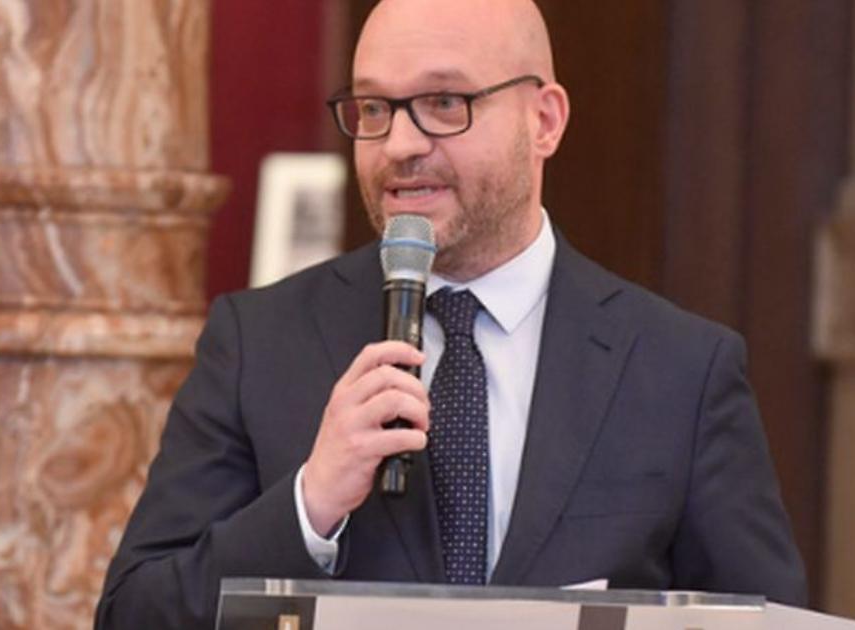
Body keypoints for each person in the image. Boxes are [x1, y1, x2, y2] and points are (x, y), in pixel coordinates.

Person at [95, 0, 806, 627]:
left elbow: (764, 622)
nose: (400, 145)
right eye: (374, 109)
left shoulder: (681, 370)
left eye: (444, 103)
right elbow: (134, 613)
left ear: (544, 121)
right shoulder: (259, 342)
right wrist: (310, 505)